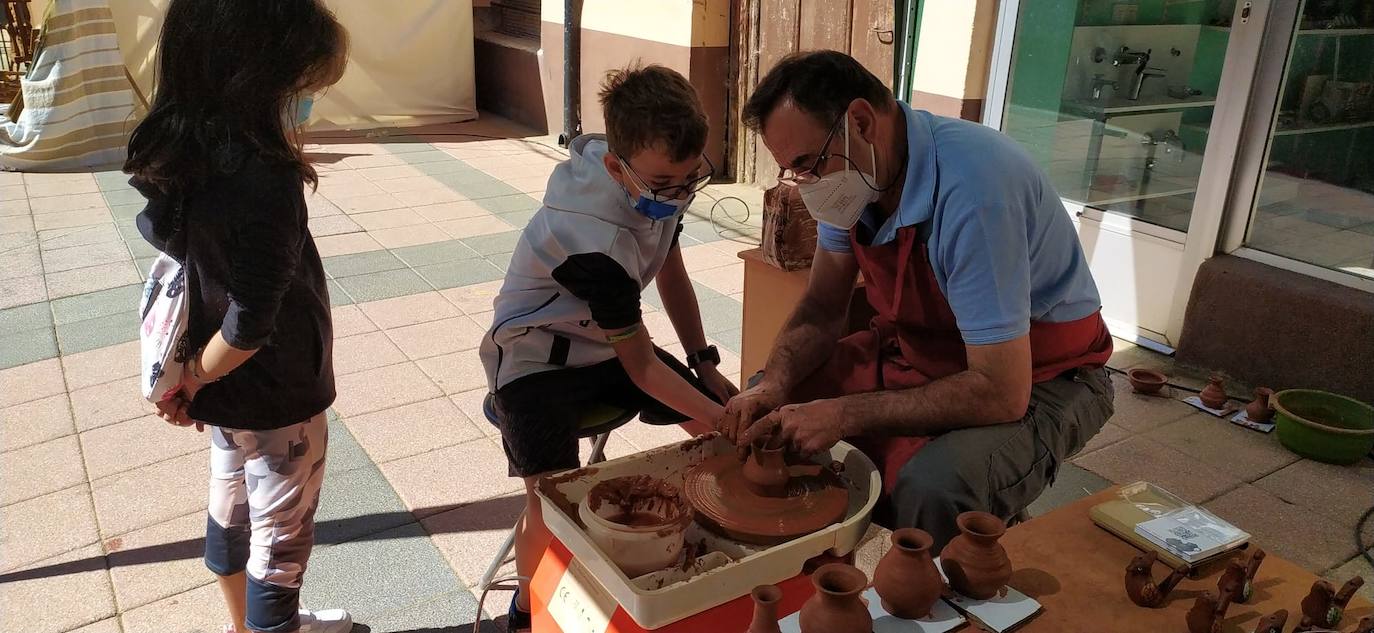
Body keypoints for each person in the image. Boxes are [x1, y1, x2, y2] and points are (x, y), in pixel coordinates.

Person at [722, 50, 1116, 550]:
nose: (807, 185)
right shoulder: (853, 179)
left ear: (861, 122)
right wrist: (774, 383)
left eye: (807, 164)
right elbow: (822, 308)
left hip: (1046, 375)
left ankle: (959, 573)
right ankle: (812, 573)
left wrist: (842, 414)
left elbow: (999, 391)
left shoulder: (976, 192)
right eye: (792, 171)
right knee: (770, 408)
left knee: (935, 487)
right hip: (926, 352)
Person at [478, 64, 739, 630]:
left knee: (714, 432)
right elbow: (642, 366)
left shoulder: (660, 177)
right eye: (665, 186)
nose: (678, 196)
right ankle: (526, 609)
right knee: (553, 503)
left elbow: (670, 265)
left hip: (602, 347)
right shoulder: (591, 237)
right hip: (533, 360)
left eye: (691, 179)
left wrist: (703, 364)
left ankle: (730, 538)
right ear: (617, 168)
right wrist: (724, 416)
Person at [125, 1, 350, 632]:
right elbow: (252, 319)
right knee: (279, 543)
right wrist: (195, 377)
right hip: (276, 390)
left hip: (225, 388)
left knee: (231, 512)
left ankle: (241, 626)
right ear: (257, 78)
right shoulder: (266, 177)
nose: (306, 106)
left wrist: (195, 380)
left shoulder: (183, 155)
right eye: (303, 90)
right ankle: (274, 627)